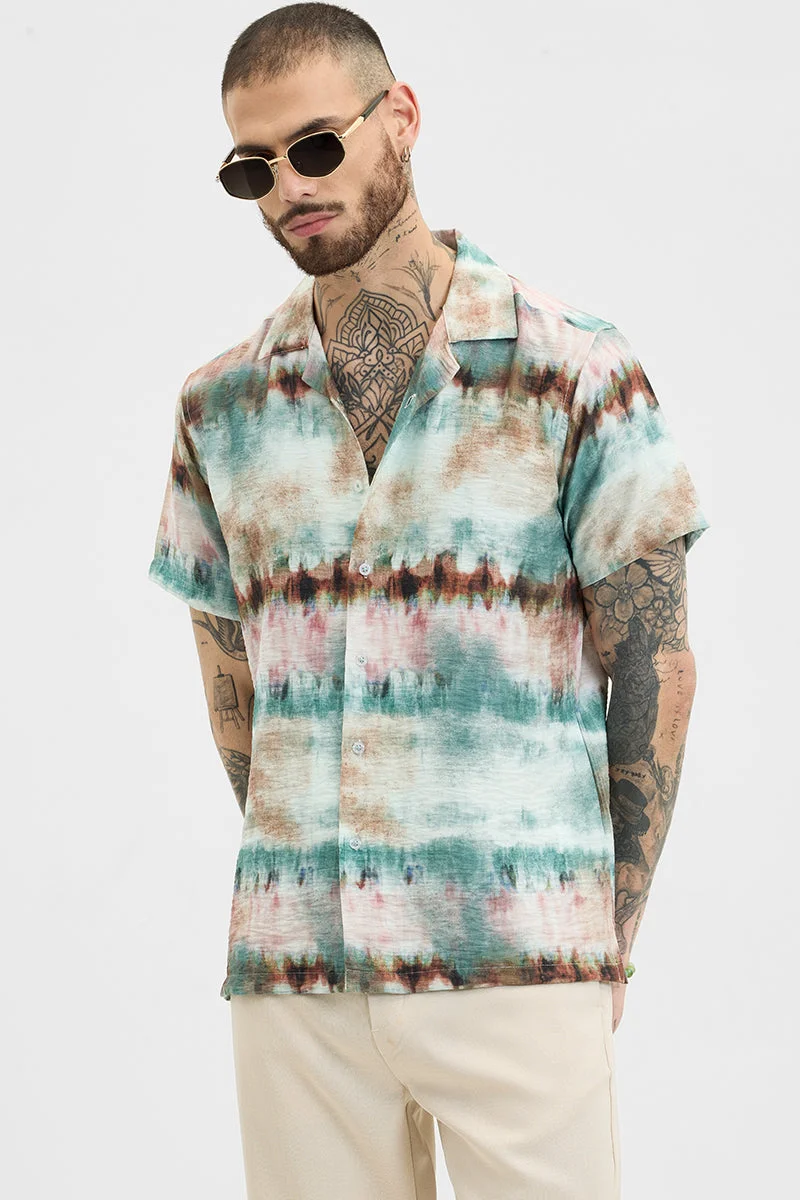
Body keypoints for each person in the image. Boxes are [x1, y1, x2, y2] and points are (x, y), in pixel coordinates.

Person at [147, 4, 711, 1197]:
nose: (289, 188)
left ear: (399, 117)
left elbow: (653, 661)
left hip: (517, 954)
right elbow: (229, 674)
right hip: (298, 977)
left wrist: (604, 930)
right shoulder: (218, 409)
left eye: (315, 146)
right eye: (253, 167)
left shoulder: (572, 369)